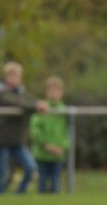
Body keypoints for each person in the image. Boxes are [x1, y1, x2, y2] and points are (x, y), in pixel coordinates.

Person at [0, 61, 49, 194]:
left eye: (16, 76)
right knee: (2, 175)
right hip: (2, 141)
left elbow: (30, 100)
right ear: (6, 76)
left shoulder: (22, 92)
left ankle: (19, 195)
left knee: (31, 168)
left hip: (17, 141)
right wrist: (35, 106)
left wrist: (39, 103)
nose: (13, 78)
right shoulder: (2, 92)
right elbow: (14, 101)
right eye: (11, 75)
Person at [30, 76, 69, 194]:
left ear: (61, 93)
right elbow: (35, 130)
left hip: (58, 154)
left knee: (55, 183)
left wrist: (63, 147)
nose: (54, 93)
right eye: (51, 90)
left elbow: (68, 132)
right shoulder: (40, 109)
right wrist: (46, 145)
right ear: (46, 92)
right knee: (42, 182)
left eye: (57, 90)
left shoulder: (64, 111)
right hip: (42, 153)